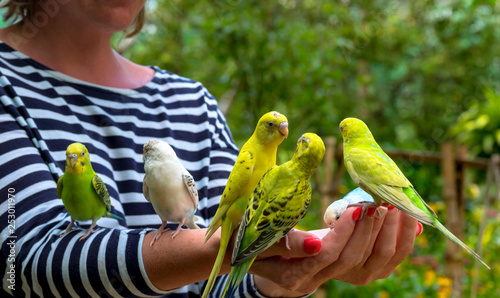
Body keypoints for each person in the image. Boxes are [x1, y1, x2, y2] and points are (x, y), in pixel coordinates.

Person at [0, 1, 421, 297]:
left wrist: (280, 279)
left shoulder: (191, 103)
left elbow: (215, 281)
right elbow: (24, 266)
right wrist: (235, 249)